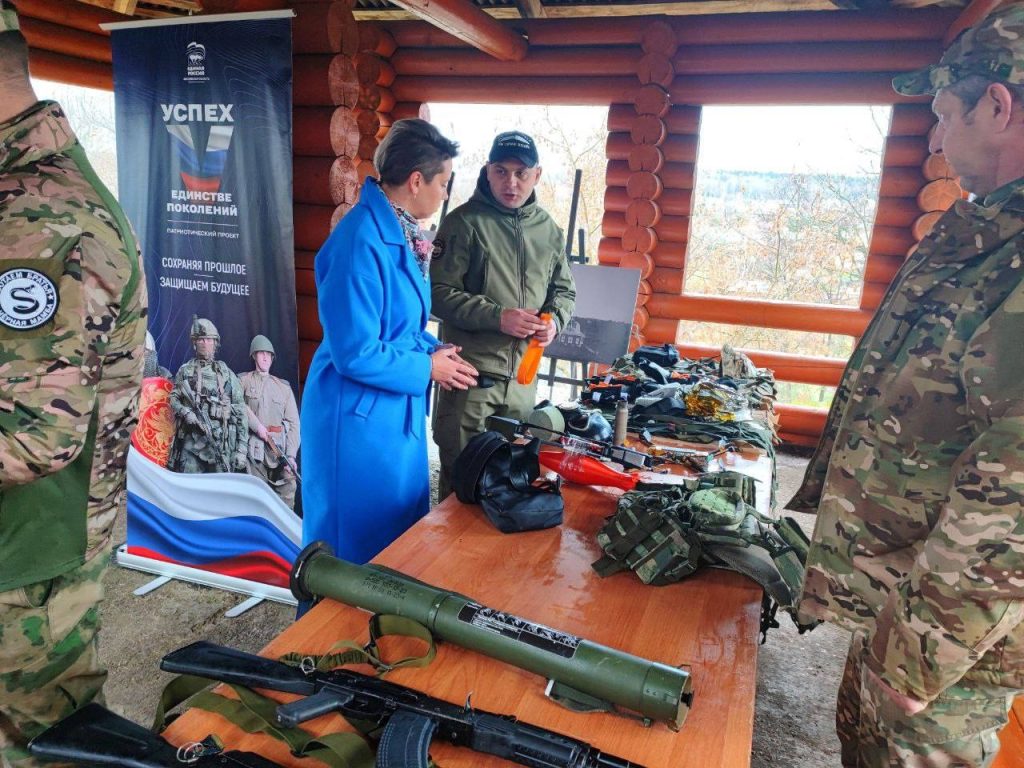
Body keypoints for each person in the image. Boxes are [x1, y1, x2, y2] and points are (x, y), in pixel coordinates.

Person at [788, 6, 1024, 766]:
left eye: (946, 113)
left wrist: (919, 656)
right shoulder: (984, 230)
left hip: (948, 639)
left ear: (998, 105)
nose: (937, 136)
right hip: (895, 584)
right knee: (860, 745)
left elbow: (1014, 494)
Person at [0, 3, 148, 765]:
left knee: (41, 750)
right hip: (28, 550)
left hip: (27, 567)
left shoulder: (39, 215)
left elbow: (35, 434)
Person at [301, 118, 477, 564]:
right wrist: (428, 368)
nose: (445, 194)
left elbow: (396, 325)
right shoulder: (359, 241)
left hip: (388, 410)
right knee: (349, 554)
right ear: (416, 181)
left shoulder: (401, 231)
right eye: (443, 183)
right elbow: (355, 351)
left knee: (393, 546)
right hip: (354, 420)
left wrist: (432, 350)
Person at [430, 131, 576, 500]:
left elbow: (564, 291)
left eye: (521, 173)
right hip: (470, 382)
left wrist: (554, 321)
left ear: (537, 175)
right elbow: (437, 295)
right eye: (501, 172)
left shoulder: (549, 230)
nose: (511, 183)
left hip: (523, 384)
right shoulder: (463, 223)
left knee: (510, 487)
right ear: (487, 171)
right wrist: (498, 317)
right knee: (461, 492)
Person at [167, 317, 247, 474]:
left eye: (209, 340)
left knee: (220, 486)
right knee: (189, 486)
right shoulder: (186, 371)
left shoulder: (226, 373)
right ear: (194, 343)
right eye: (201, 339)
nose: (205, 343)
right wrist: (185, 412)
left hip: (218, 444)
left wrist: (242, 449)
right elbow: (173, 399)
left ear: (215, 343)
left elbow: (240, 411)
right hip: (191, 444)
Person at [239, 334, 300, 509]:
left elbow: (294, 424)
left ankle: (282, 522)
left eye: (269, 354)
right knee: (255, 494)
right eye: (261, 353)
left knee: (289, 484)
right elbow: (238, 404)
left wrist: (291, 456)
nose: (265, 358)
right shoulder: (243, 381)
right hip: (254, 449)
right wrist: (257, 426)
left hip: (278, 450)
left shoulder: (283, 387)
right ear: (254, 355)